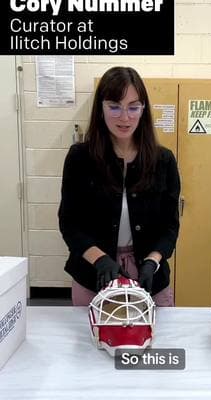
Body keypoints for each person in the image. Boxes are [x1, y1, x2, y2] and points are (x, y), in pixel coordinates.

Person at [58, 66, 180, 306]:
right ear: (100, 109)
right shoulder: (80, 158)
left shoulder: (163, 160)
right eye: (114, 106)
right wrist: (100, 259)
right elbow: (69, 223)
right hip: (94, 275)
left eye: (133, 107)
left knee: (153, 341)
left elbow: (170, 227)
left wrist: (152, 261)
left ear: (143, 110)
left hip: (150, 281)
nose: (124, 117)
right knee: (93, 342)